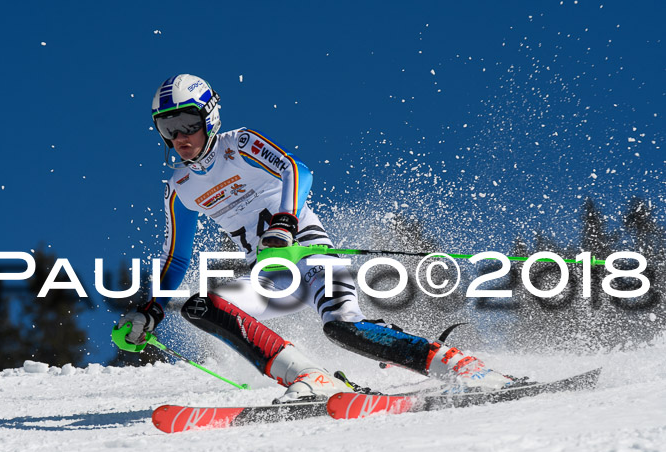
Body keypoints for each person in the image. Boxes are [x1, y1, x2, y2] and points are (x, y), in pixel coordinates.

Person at [120, 74, 513, 402]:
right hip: (274, 280)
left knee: (343, 329)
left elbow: (297, 170)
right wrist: (150, 310)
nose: (179, 135)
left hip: (313, 261)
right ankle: (311, 379)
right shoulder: (180, 186)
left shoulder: (238, 144)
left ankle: (462, 367)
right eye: (167, 127)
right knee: (202, 306)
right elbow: (176, 260)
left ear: (210, 117)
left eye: (188, 122)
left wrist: (285, 221)